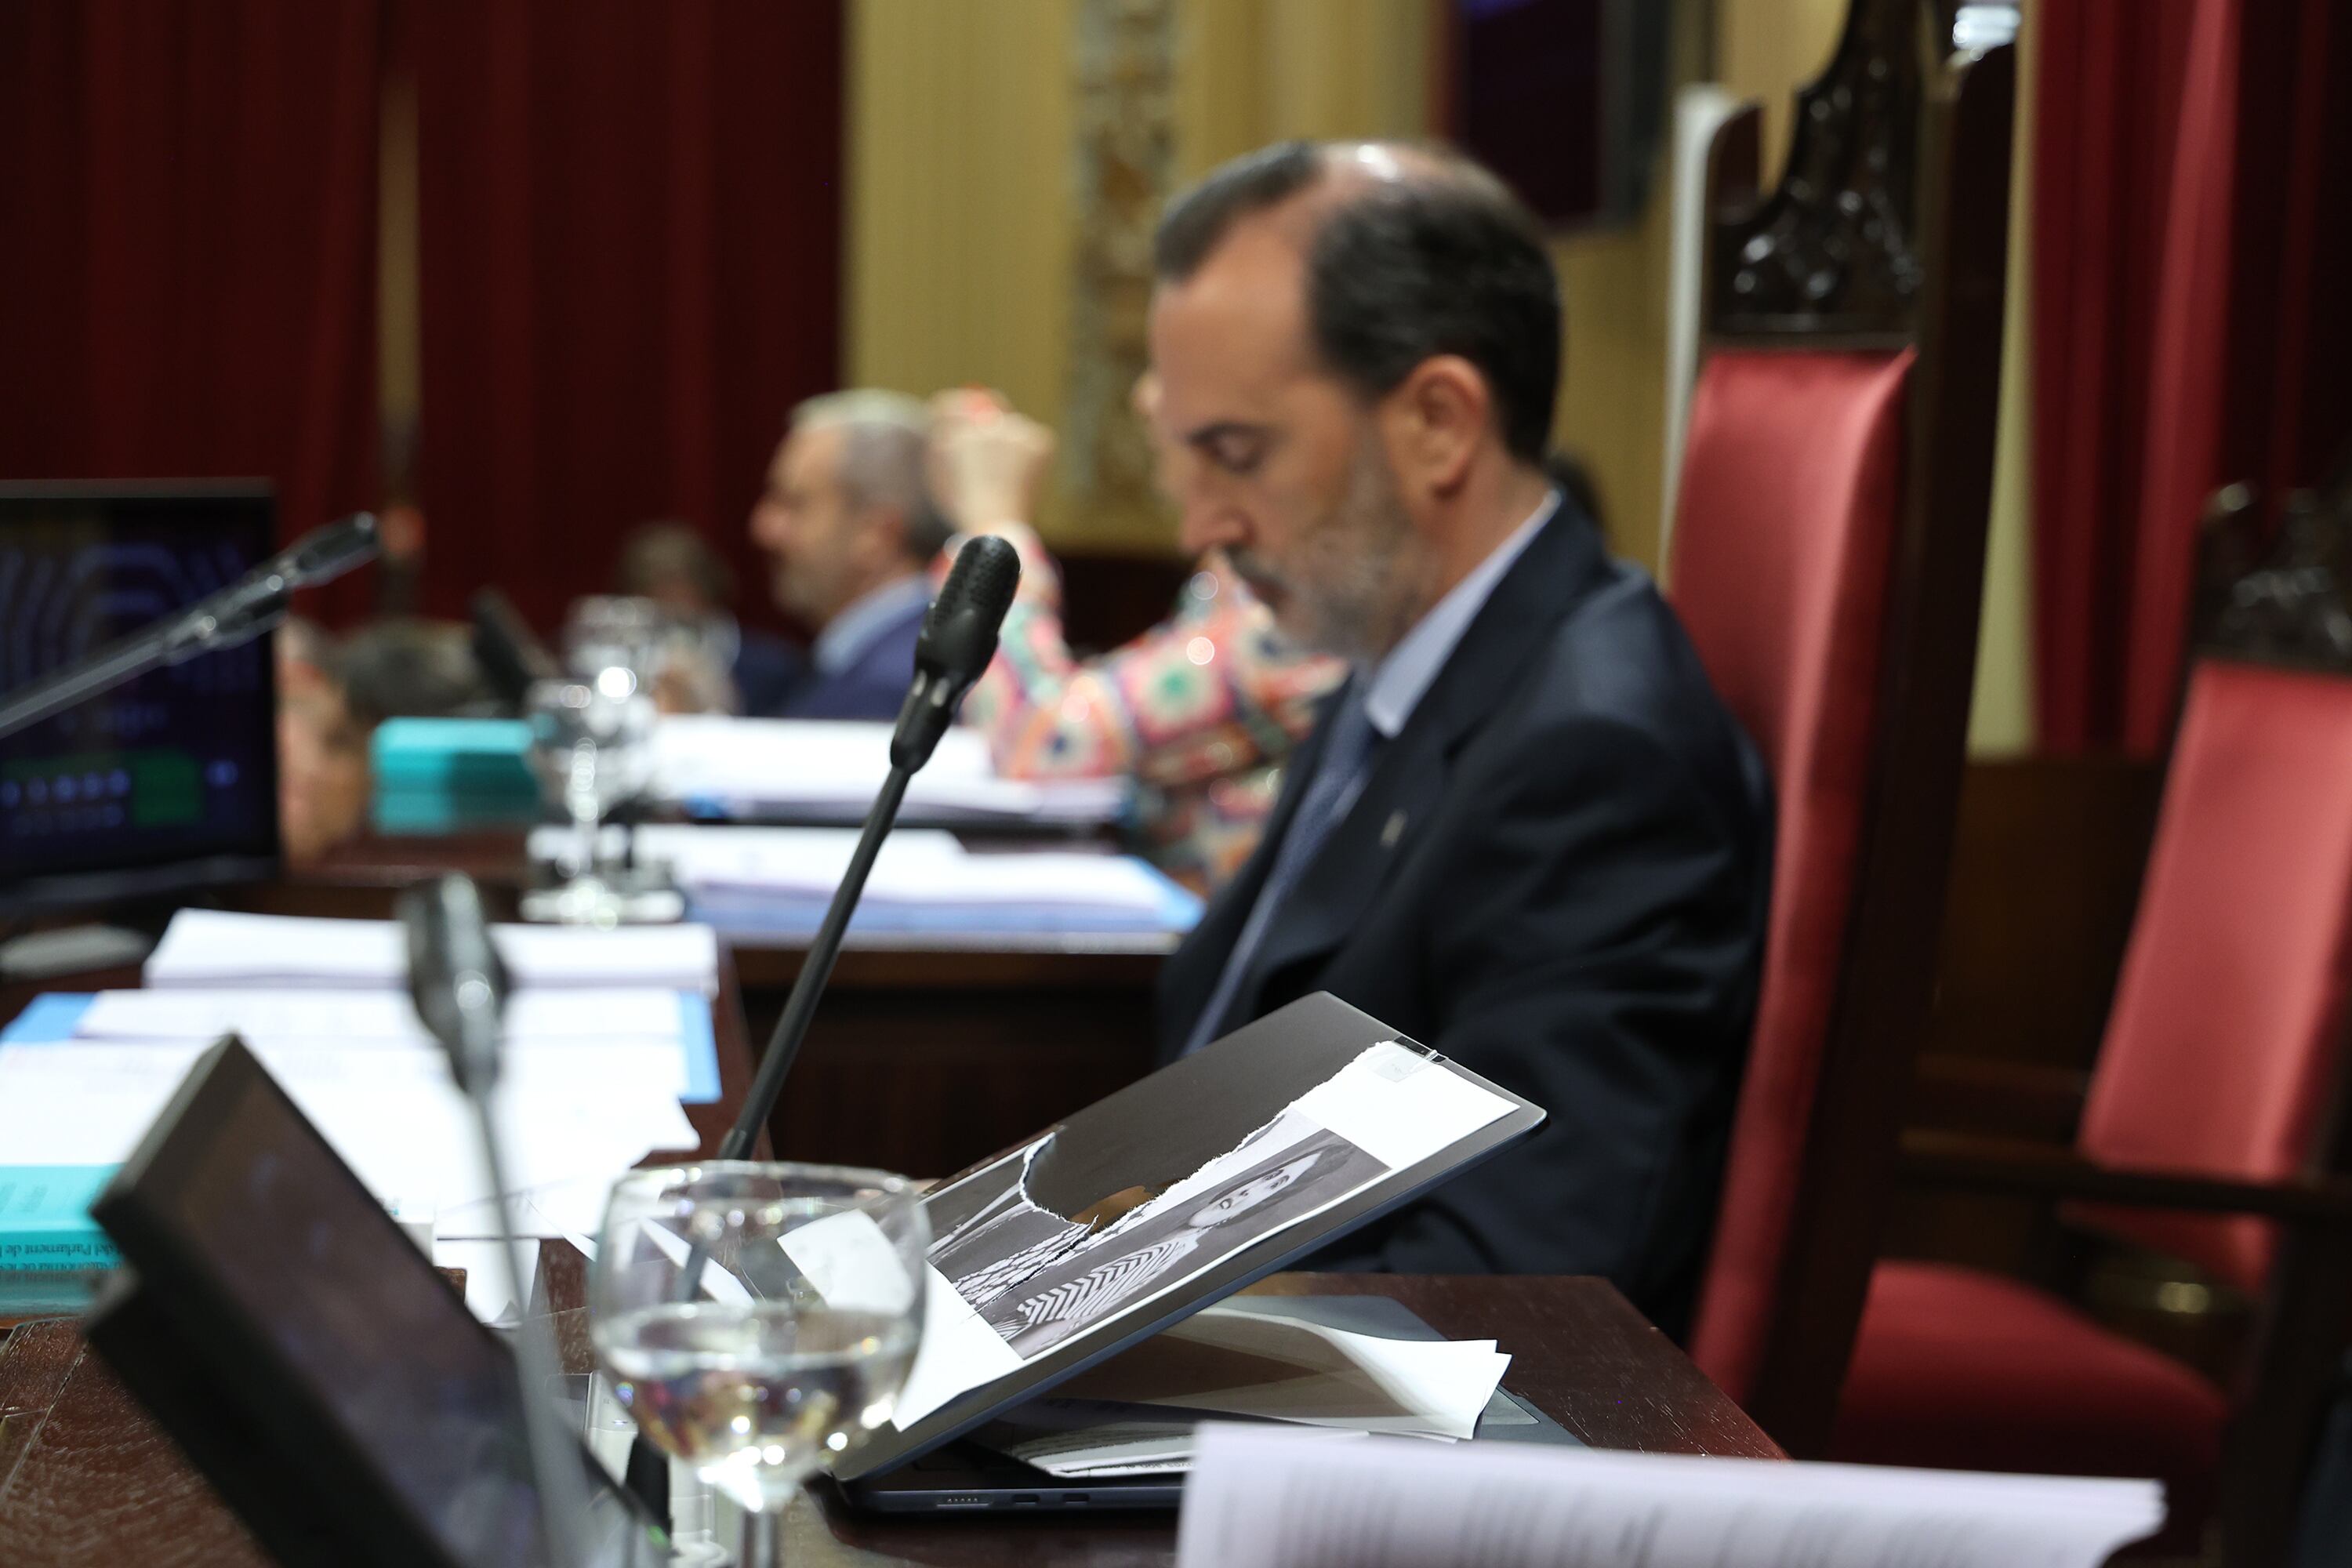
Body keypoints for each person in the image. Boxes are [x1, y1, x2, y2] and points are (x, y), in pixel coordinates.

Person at [1146, 140, 1771, 1336]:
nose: (1201, 525)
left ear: (1438, 422)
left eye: (1237, 455)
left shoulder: (1592, 761)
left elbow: (1523, 1273)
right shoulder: (1400, 657)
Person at [928, 387, 1345, 892]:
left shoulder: (1306, 605)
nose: (1145, 399)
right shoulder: (1247, 583)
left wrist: (994, 532)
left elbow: (1046, 744)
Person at [745, 390, 954, 720]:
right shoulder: (883, 663)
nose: (764, 527)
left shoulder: (890, 688)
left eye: (795, 504)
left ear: (876, 535)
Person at [614, 521, 802, 715]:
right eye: (658, 598)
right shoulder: (617, 673)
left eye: (681, 593)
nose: (673, 608)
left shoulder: (775, 668)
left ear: (708, 591)